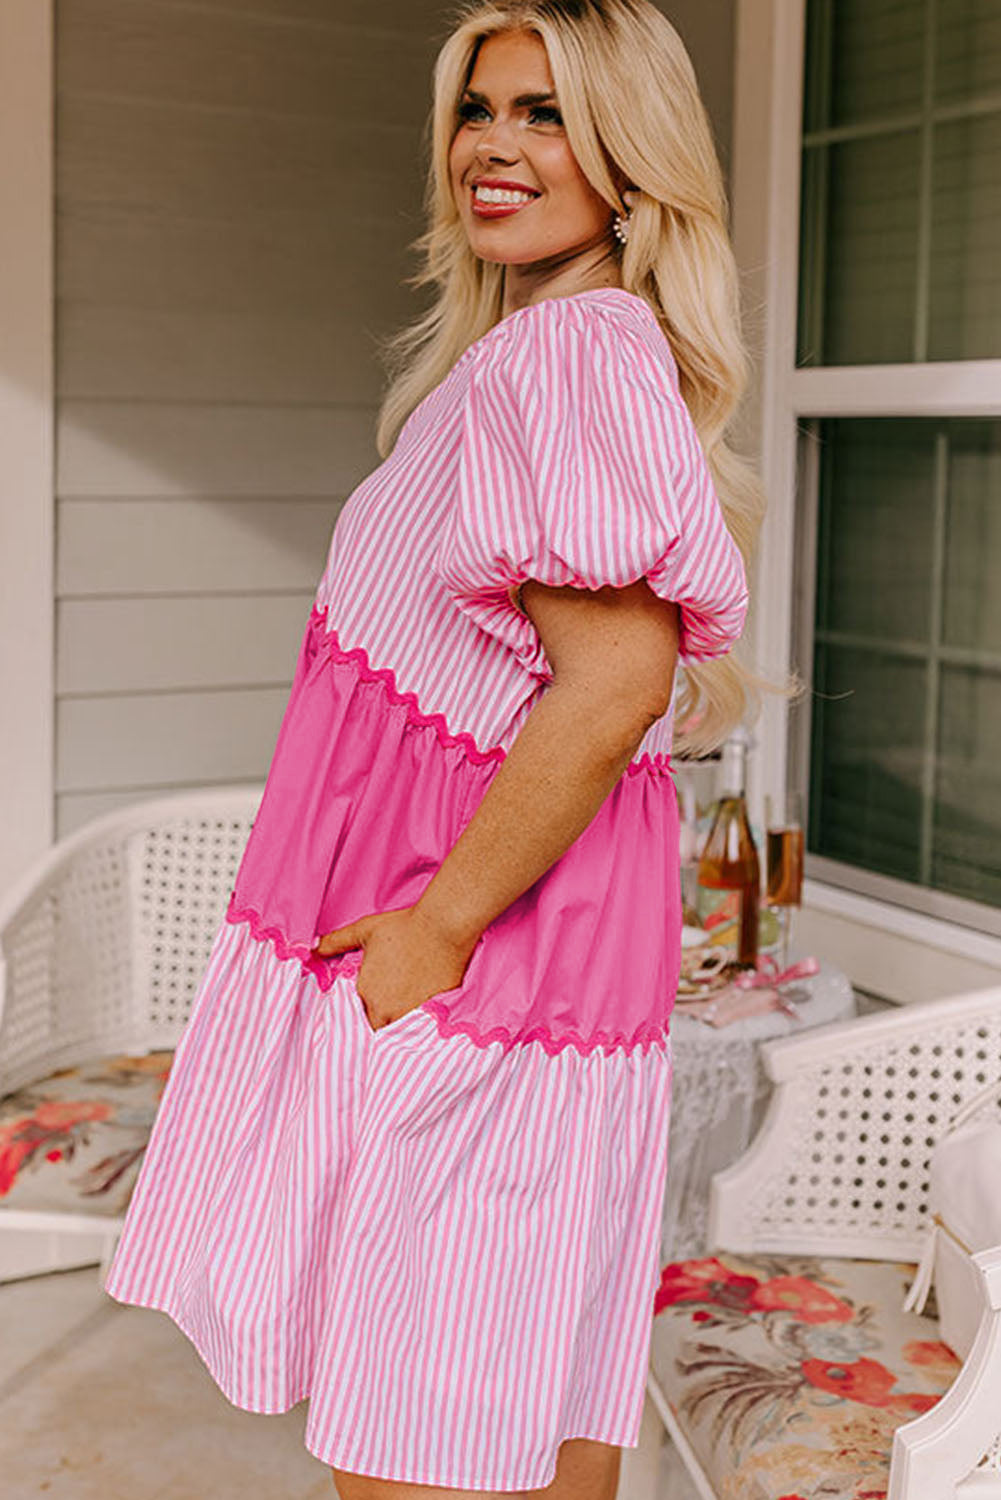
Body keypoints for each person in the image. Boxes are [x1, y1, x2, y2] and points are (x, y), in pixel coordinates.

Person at [103, 2, 765, 1496]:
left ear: (631, 156)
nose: (494, 144)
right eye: (480, 108)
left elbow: (607, 689)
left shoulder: (571, 362)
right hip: (501, 963)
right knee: (516, 1408)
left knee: (426, 1440)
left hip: (476, 963)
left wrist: (436, 932)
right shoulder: (545, 352)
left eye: (545, 113)